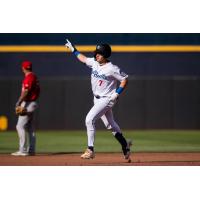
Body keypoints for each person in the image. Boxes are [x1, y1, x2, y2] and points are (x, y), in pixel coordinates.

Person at [65, 39, 132, 161]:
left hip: (107, 98)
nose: (96, 55)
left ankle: (90, 149)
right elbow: (84, 59)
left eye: (99, 53)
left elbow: (124, 79)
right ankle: (125, 145)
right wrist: (73, 50)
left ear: (105, 55)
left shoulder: (112, 68)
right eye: (96, 52)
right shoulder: (95, 62)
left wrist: (117, 93)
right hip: (97, 99)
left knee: (89, 119)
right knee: (109, 125)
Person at [11, 61, 40, 156]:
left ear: (23, 68)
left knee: (19, 126)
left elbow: (26, 91)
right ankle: (31, 150)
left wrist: (19, 101)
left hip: (28, 103)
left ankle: (22, 150)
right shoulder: (34, 76)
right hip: (33, 103)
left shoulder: (29, 77)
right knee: (30, 127)